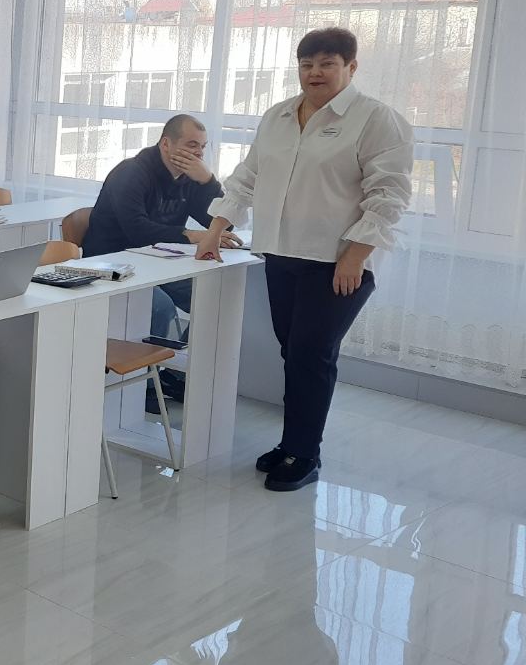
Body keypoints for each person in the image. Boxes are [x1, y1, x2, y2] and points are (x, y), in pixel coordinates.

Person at [194, 27, 413, 493]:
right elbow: (247, 177)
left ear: (351, 67)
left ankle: (305, 454)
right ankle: (292, 443)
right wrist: (215, 228)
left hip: (337, 263)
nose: (315, 72)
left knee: (312, 355)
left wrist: (355, 256)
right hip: (280, 253)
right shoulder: (278, 116)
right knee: (292, 353)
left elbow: (388, 195)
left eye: (328, 63)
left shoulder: (375, 119)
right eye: (307, 64)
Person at [83, 114, 239, 341]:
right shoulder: (131, 172)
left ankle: (175, 363)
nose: (198, 154)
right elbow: (137, 230)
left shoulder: (190, 177)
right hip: (112, 264)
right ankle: (150, 363)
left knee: (215, 300)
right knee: (160, 308)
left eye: (202, 147)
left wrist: (208, 181)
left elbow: (225, 224)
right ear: (166, 144)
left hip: (159, 263)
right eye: (192, 145)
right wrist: (194, 235)